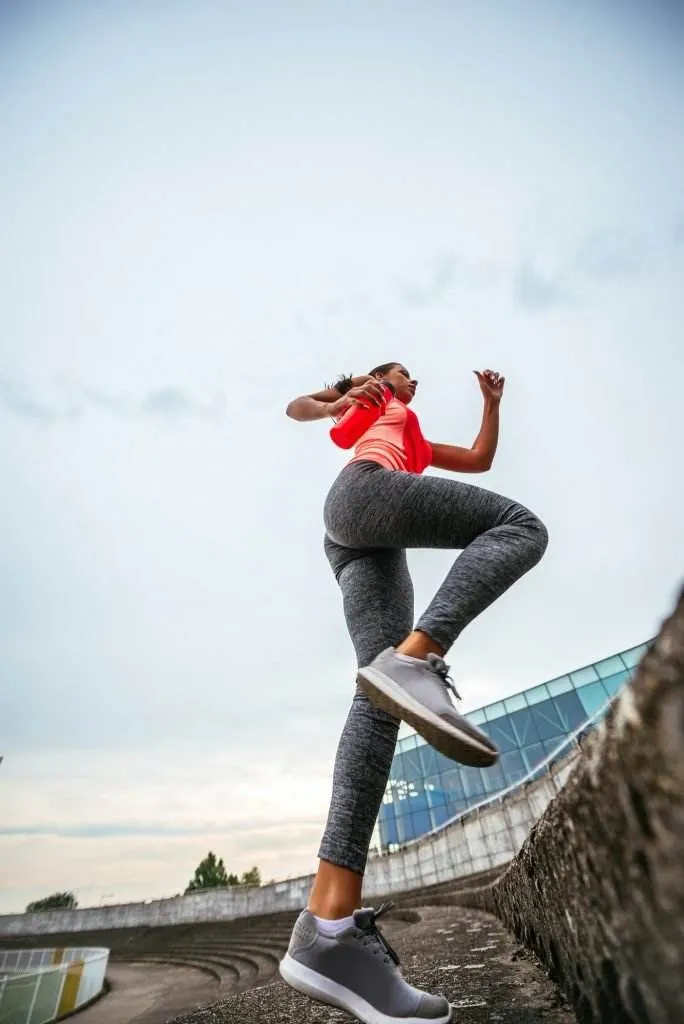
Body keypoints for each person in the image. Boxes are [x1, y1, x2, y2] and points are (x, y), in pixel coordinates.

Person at [279, 362, 548, 1024]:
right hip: (360, 496)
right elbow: (296, 408)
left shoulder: (418, 440)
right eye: (403, 372)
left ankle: (329, 928)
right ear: (380, 377)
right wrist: (342, 395)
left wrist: (491, 404)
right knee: (519, 528)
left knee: (379, 689)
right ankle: (422, 658)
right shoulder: (367, 405)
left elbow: (480, 459)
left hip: (361, 540)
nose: (412, 382)